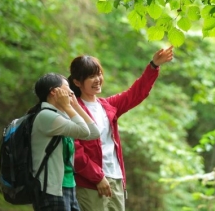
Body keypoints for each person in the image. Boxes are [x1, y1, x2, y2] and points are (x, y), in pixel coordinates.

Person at [68, 46, 174, 211]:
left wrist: (153, 66)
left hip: (116, 178)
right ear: (77, 82)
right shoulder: (73, 110)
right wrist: (97, 177)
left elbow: (136, 93)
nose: (97, 79)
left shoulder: (108, 106)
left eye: (99, 74)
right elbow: (75, 151)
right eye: (91, 76)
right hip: (90, 183)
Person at [29, 73, 101, 211]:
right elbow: (84, 131)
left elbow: (94, 133)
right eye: (67, 87)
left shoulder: (60, 115)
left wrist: (75, 105)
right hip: (50, 188)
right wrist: (69, 107)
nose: (71, 91)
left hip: (68, 185)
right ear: (54, 91)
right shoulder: (46, 116)